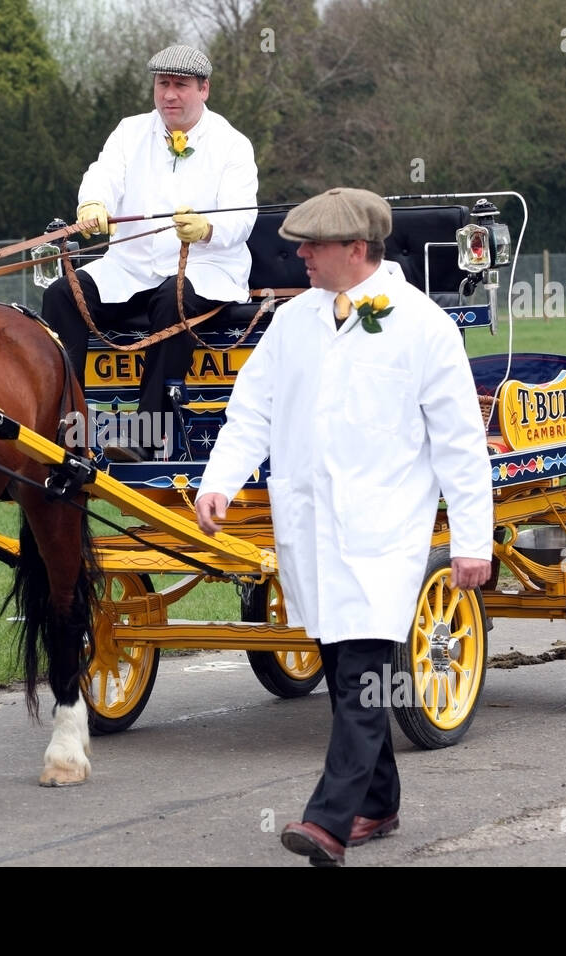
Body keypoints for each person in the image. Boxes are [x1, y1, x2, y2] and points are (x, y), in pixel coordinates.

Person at [193, 187, 494, 866]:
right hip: (311, 531)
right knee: (342, 668)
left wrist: (474, 541)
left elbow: (458, 444)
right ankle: (380, 803)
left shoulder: (421, 327)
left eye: (313, 245)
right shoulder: (294, 322)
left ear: (356, 250)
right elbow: (252, 412)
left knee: (361, 675)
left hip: (383, 535)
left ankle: (328, 821)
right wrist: (219, 482)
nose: (297, 253)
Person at [41, 43, 258, 462]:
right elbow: (104, 174)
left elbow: (243, 216)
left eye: (180, 86)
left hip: (206, 267)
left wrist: (209, 228)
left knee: (172, 296)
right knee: (61, 294)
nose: (169, 95)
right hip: (131, 268)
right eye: (162, 85)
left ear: (204, 89)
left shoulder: (233, 144)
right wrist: (93, 204)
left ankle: (145, 437)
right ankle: (64, 427)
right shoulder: (129, 131)